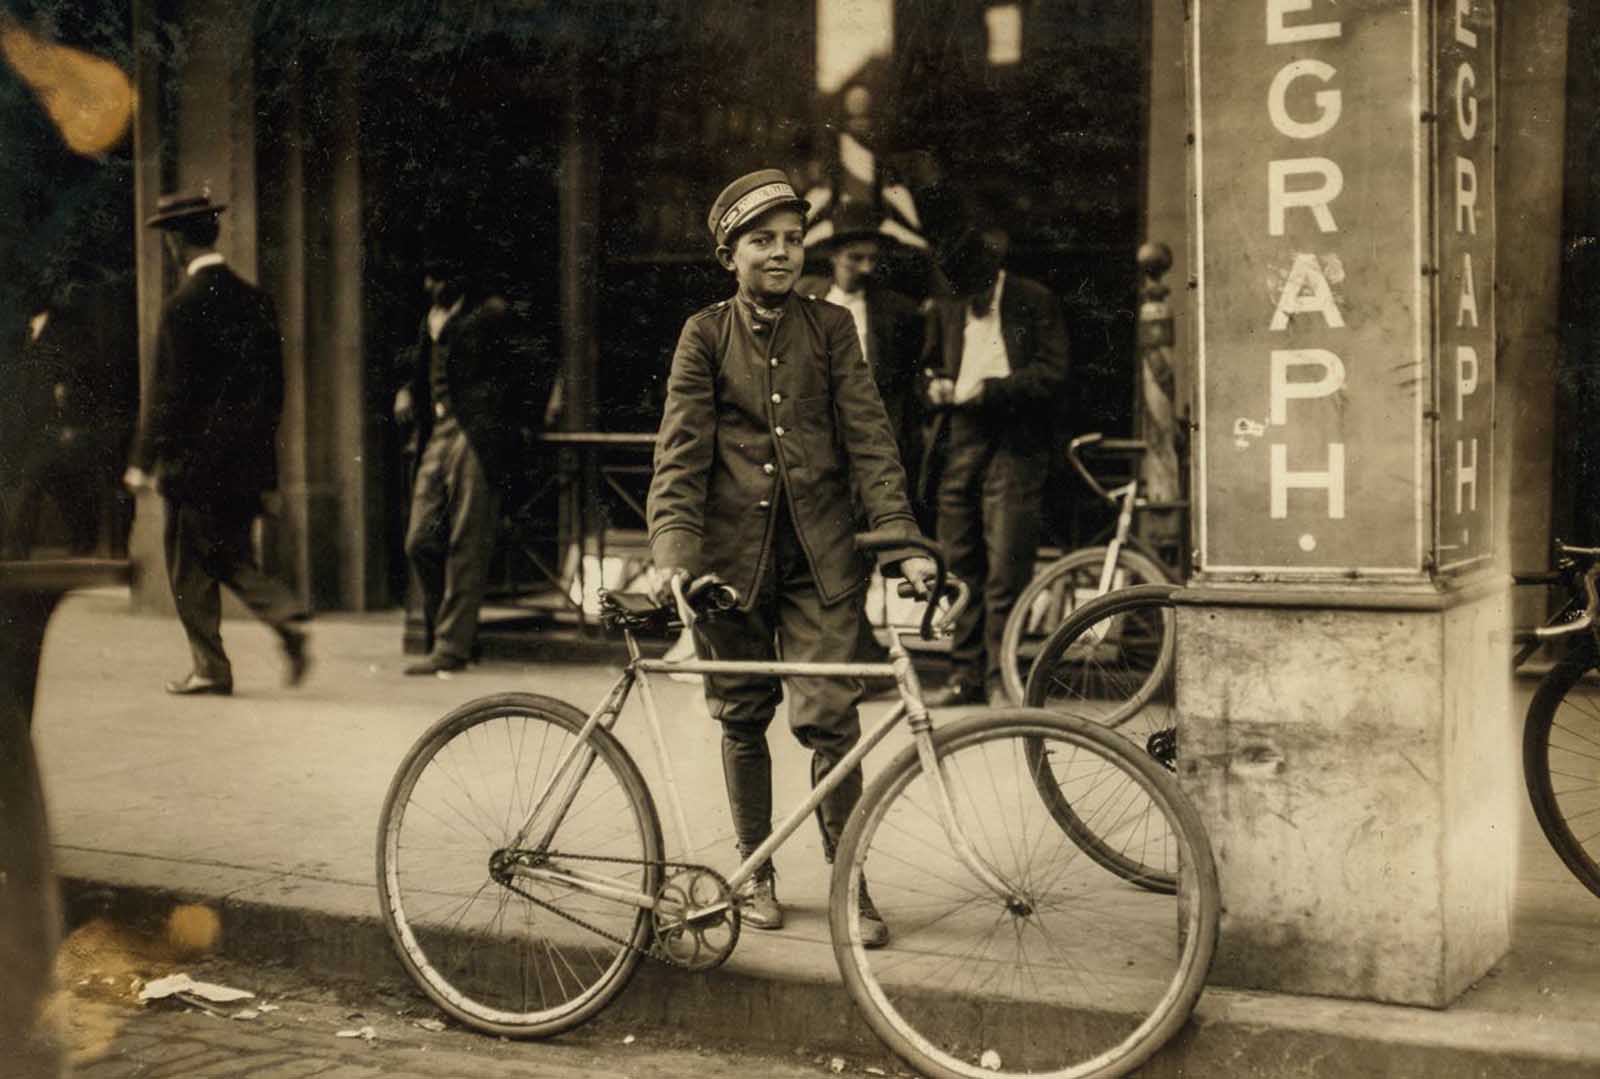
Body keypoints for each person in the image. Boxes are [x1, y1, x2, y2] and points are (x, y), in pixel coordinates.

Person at [646, 169, 937, 945]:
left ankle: (849, 879)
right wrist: (675, 555)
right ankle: (754, 872)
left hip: (821, 560)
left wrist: (902, 541)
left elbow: (872, 439)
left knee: (830, 717)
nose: (781, 253)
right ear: (728, 254)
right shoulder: (703, 335)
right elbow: (678, 458)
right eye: (761, 240)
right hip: (729, 566)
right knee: (742, 714)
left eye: (790, 238)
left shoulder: (832, 328)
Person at [124, 191, 308, 696]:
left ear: (178, 244)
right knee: (227, 552)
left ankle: (216, 663)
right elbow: (273, 396)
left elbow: (168, 393)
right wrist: (266, 474)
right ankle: (278, 616)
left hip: (193, 466)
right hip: (244, 463)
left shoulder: (181, 306)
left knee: (191, 564)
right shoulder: (256, 301)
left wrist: (143, 462)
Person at [920, 225, 1070, 707]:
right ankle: (965, 675)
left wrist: (990, 390)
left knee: (1007, 562)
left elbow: (1052, 373)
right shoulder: (948, 308)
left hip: (1014, 440)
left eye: (978, 291)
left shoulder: (1032, 299)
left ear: (994, 275)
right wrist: (937, 387)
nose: (972, 302)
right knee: (958, 561)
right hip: (960, 438)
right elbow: (926, 369)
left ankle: (1001, 677)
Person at [394, 233, 550, 675]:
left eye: (439, 278)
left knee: (467, 540)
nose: (431, 286)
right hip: (438, 434)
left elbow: (532, 370)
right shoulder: (432, 319)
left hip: (476, 437)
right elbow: (422, 370)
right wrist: (407, 390)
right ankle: (453, 635)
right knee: (420, 540)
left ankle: (452, 647)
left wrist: (512, 424)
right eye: (429, 278)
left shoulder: (492, 315)